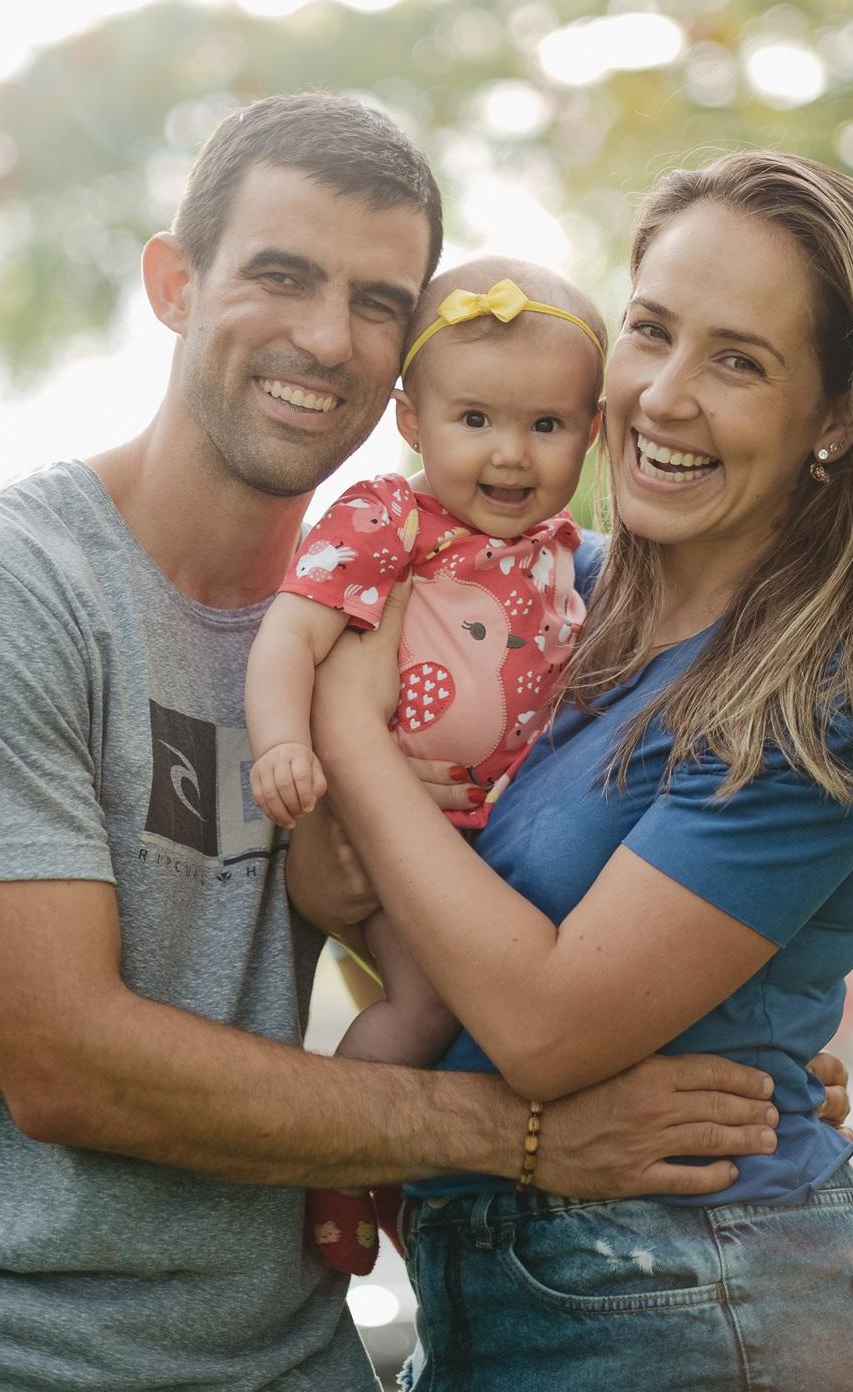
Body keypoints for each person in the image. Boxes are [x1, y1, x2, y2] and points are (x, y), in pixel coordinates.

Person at [0, 96, 798, 1392]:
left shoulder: (414, 623)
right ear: (175, 283)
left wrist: (737, 1052)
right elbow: (64, 1064)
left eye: (377, 299)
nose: (325, 337)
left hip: (289, 1352)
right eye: (281, 277)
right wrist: (522, 1137)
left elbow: (489, 907)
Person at [304, 151, 853, 1392]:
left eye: (739, 361)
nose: (664, 399)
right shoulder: (547, 601)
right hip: (498, 1297)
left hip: (705, 1306)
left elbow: (539, 1024)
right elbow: (433, 941)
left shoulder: (821, 688)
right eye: (652, 332)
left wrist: (353, 738)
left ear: (836, 416)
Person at [246, 258, 607, 1272]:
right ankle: (344, 1165)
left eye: (547, 426)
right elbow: (292, 638)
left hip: (487, 843)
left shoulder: (564, 549)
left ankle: (432, 1204)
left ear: (594, 432)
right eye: (476, 420)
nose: (511, 455)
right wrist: (285, 745)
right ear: (413, 421)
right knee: (421, 1010)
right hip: (389, 836)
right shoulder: (387, 518)